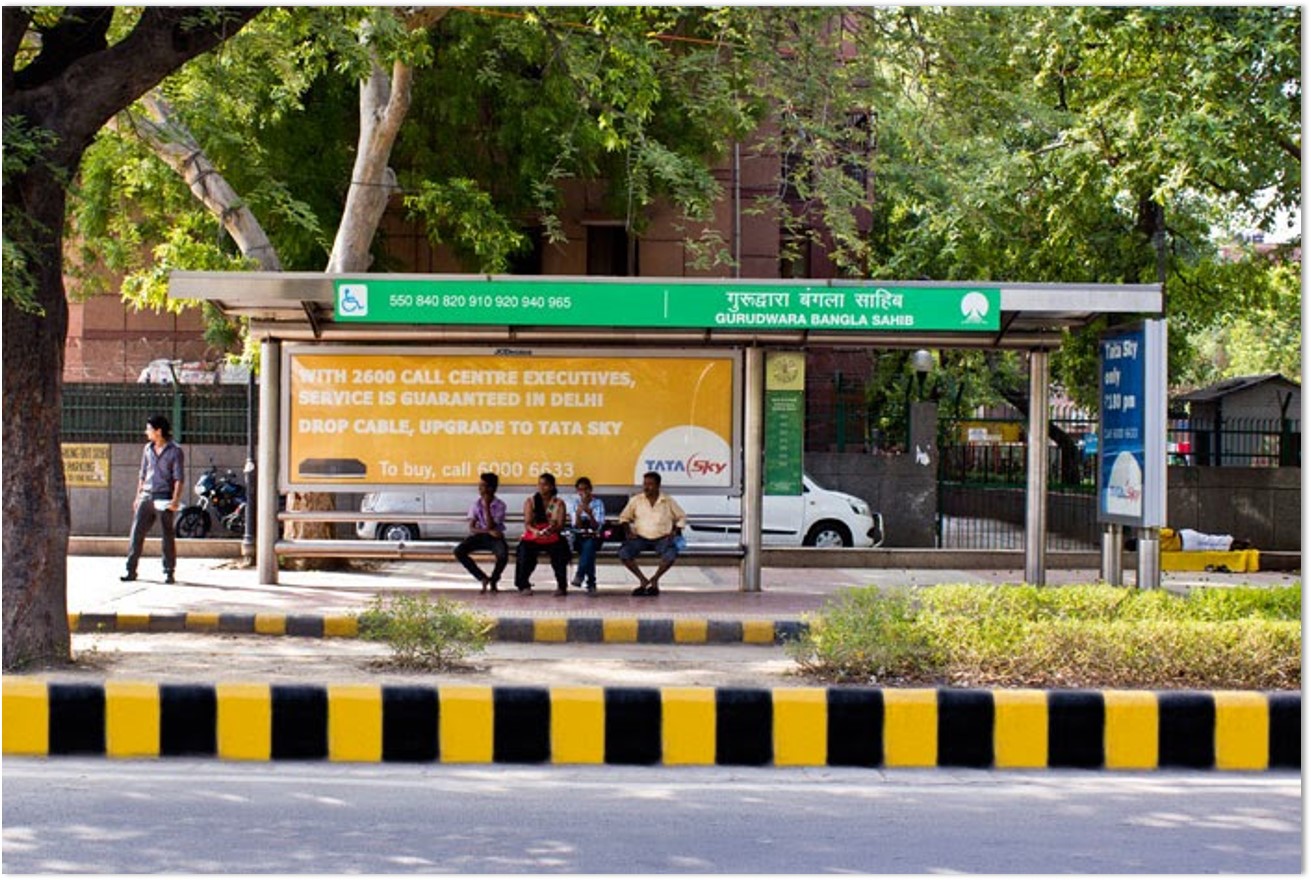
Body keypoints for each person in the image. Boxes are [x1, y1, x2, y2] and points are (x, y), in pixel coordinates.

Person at [122, 414, 185, 584]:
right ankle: (130, 569)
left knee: (167, 534)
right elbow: (142, 474)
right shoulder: (147, 449)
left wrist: (175, 500)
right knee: (137, 533)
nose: (146, 432)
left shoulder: (175, 451)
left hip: (164, 497)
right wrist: (138, 497)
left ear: (159, 431)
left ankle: (168, 571)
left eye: (149, 429)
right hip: (146, 495)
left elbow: (179, 477)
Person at [617, 471, 687, 597]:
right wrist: (628, 532)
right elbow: (624, 517)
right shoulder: (636, 500)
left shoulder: (667, 501)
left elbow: (681, 517)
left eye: (650, 484)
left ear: (658, 485)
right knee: (623, 553)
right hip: (640, 537)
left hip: (662, 538)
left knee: (671, 554)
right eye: (645, 484)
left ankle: (654, 579)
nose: (646, 487)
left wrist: (675, 531)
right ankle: (643, 580)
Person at [514, 472, 571, 595]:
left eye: (545, 485)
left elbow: (560, 525)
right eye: (539, 484)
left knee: (560, 552)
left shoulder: (558, 503)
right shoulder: (531, 501)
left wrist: (551, 529)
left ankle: (562, 586)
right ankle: (523, 584)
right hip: (535, 535)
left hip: (552, 535)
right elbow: (528, 524)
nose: (541, 487)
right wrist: (536, 532)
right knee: (524, 551)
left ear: (551, 486)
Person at [453, 472, 509, 592]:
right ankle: (482, 578)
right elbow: (472, 527)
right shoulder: (476, 504)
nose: (479, 488)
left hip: (495, 538)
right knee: (459, 551)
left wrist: (487, 507)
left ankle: (494, 580)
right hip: (481, 535)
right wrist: (487, 531)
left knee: (503, 555)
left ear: (491, 488)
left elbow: (491, 524)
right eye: (479, 485)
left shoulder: (500, 505)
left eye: (482, 485)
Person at [566, 476, 607, 593]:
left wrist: (590, 514)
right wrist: (578, 515)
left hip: (594, 535)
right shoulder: (575, 503)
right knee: (588, 549)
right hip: (579, 536)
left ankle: (580, 575)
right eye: (580, 490)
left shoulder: (598, 503)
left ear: (590, 490)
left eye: (585, 489)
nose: (583, 492)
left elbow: (597, 526)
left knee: (589, 545)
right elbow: (576, 526)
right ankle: (591, 583)